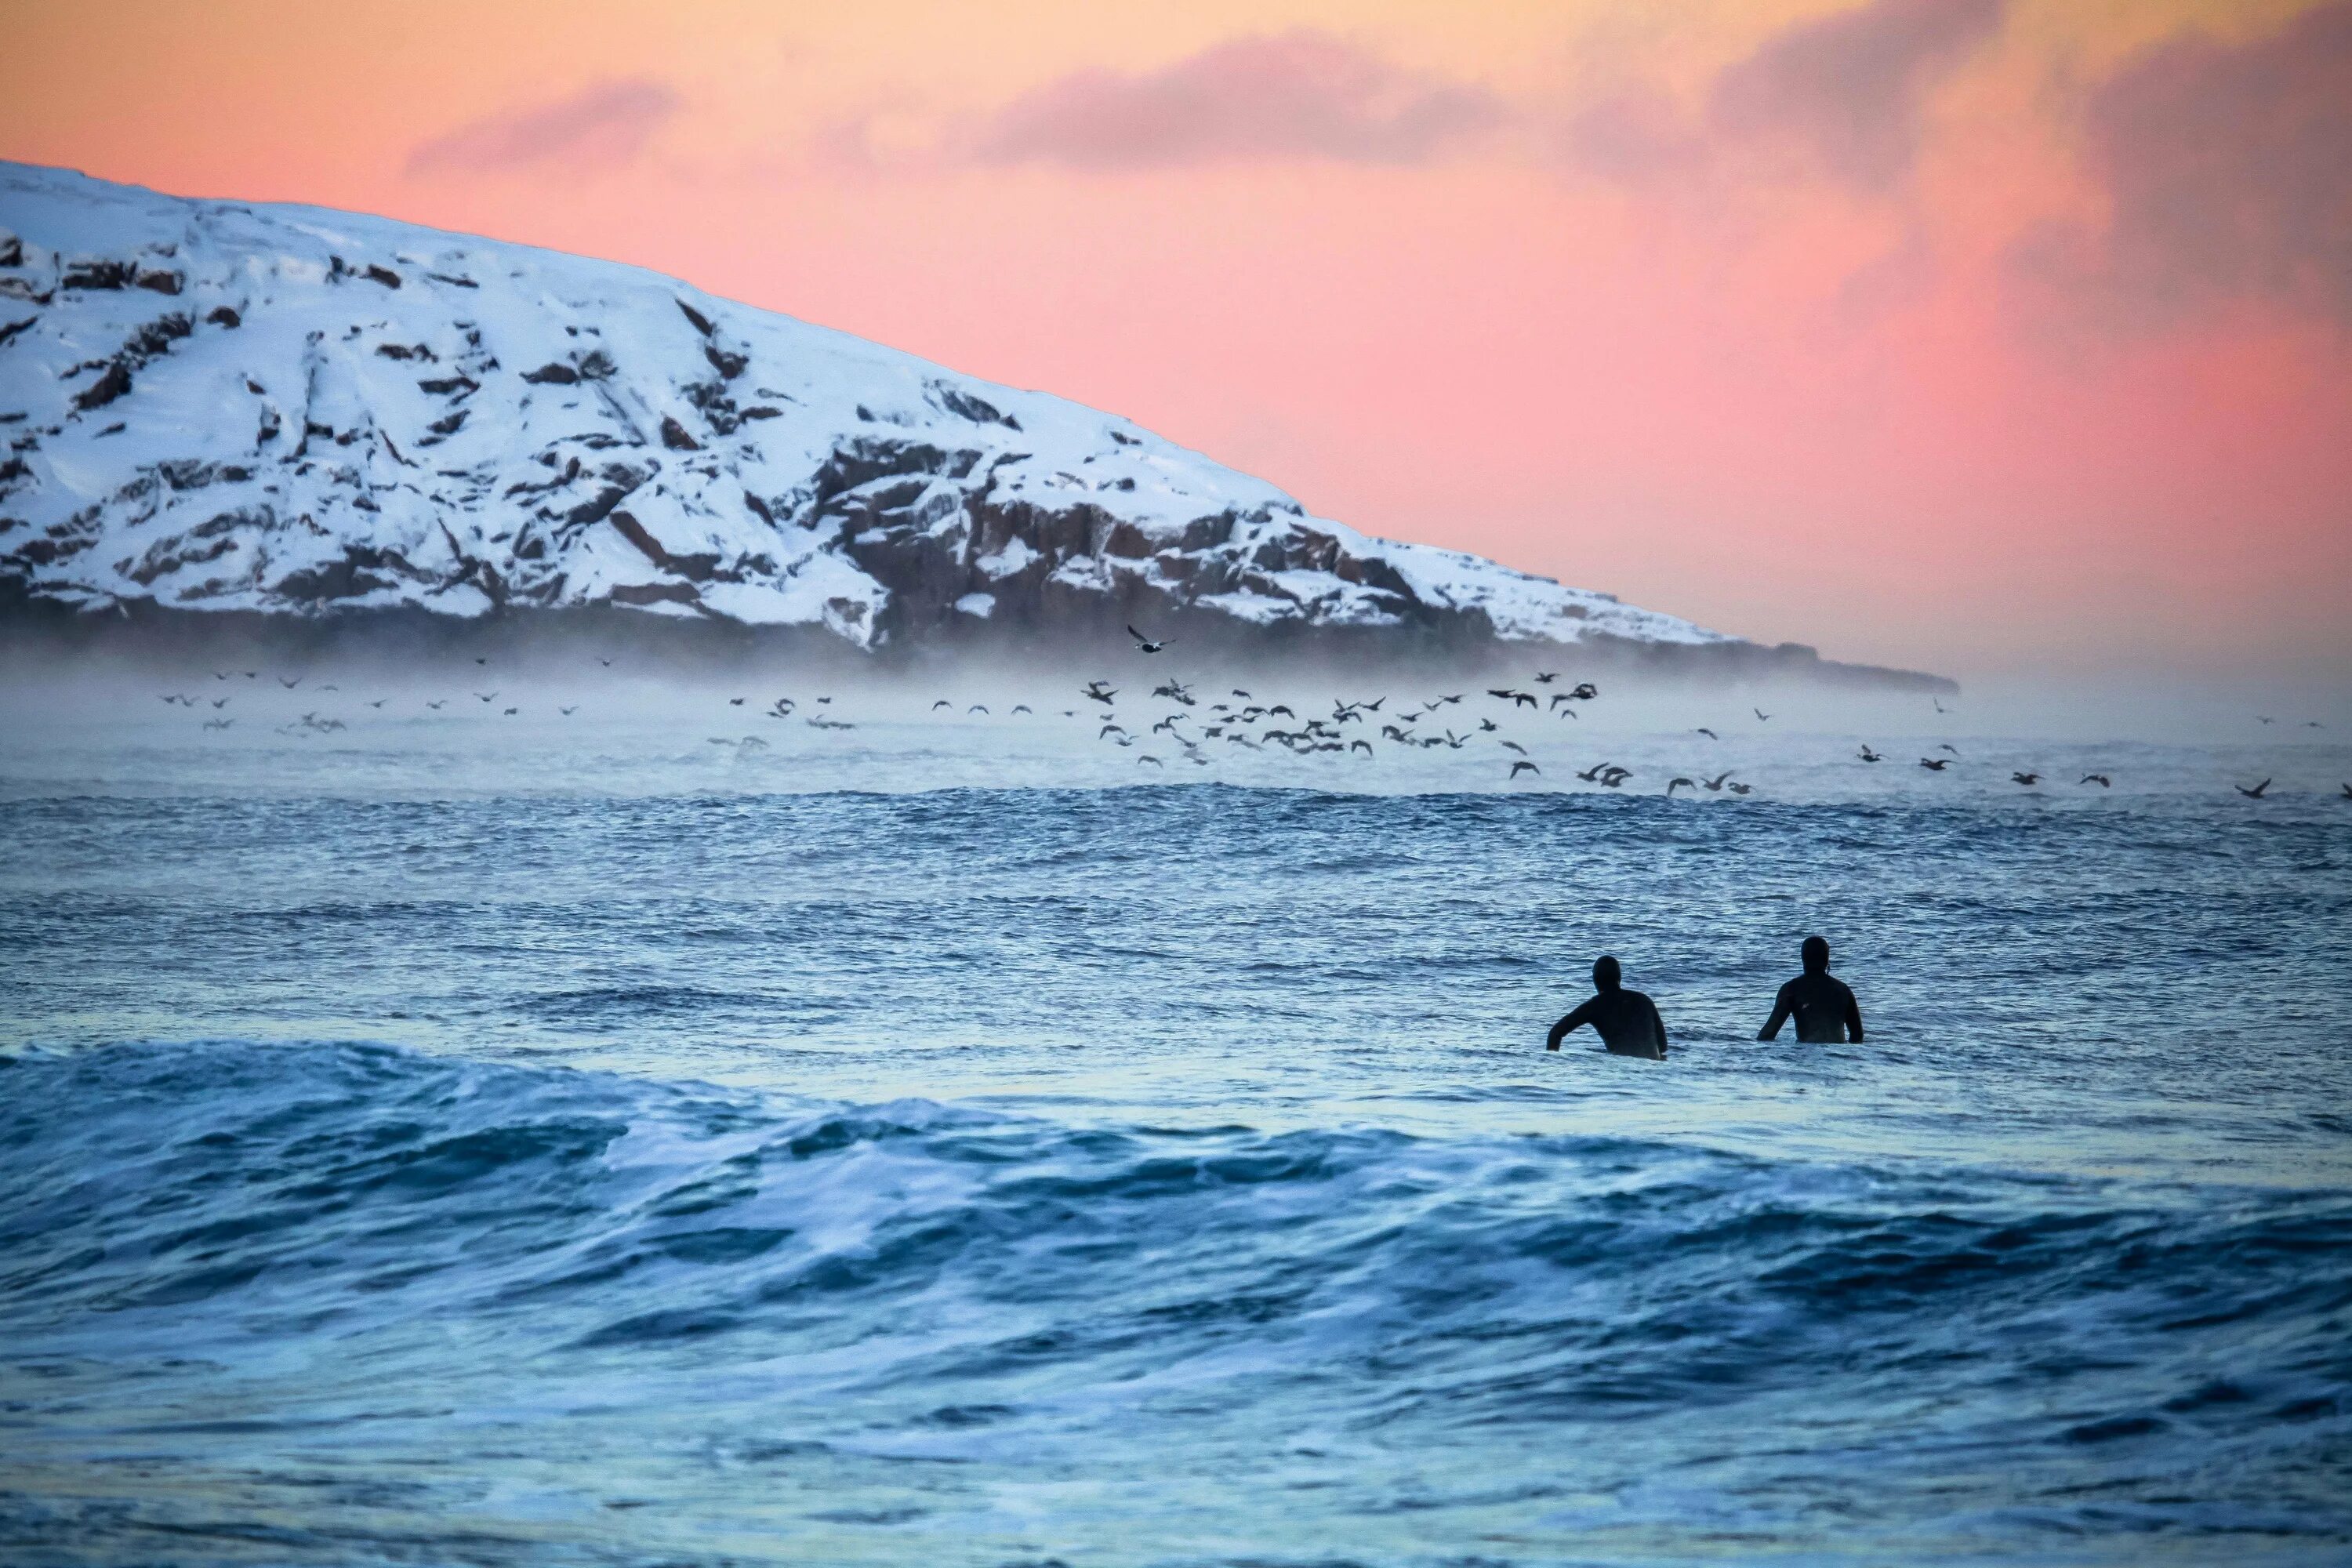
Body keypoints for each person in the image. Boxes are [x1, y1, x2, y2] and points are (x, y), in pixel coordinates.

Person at [1546, 955, 1668, 1059]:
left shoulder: (1594, 1006)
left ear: (1595, 980)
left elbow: (1555, 1033)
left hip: (1623, 1070)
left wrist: (1551, 1065)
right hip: (1652, 1067)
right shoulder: (1644, 1000)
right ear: (1619, 978)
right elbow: (1663, 1046)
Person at [1758, 935, 1864, 1043]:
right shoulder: (1843, 990)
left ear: (1803, 959)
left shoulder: (1791, 989)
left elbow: (1767, 1034)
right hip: (1838, 1055)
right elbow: (1858, 1036)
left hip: (1805, 1055)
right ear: (1827, 960)